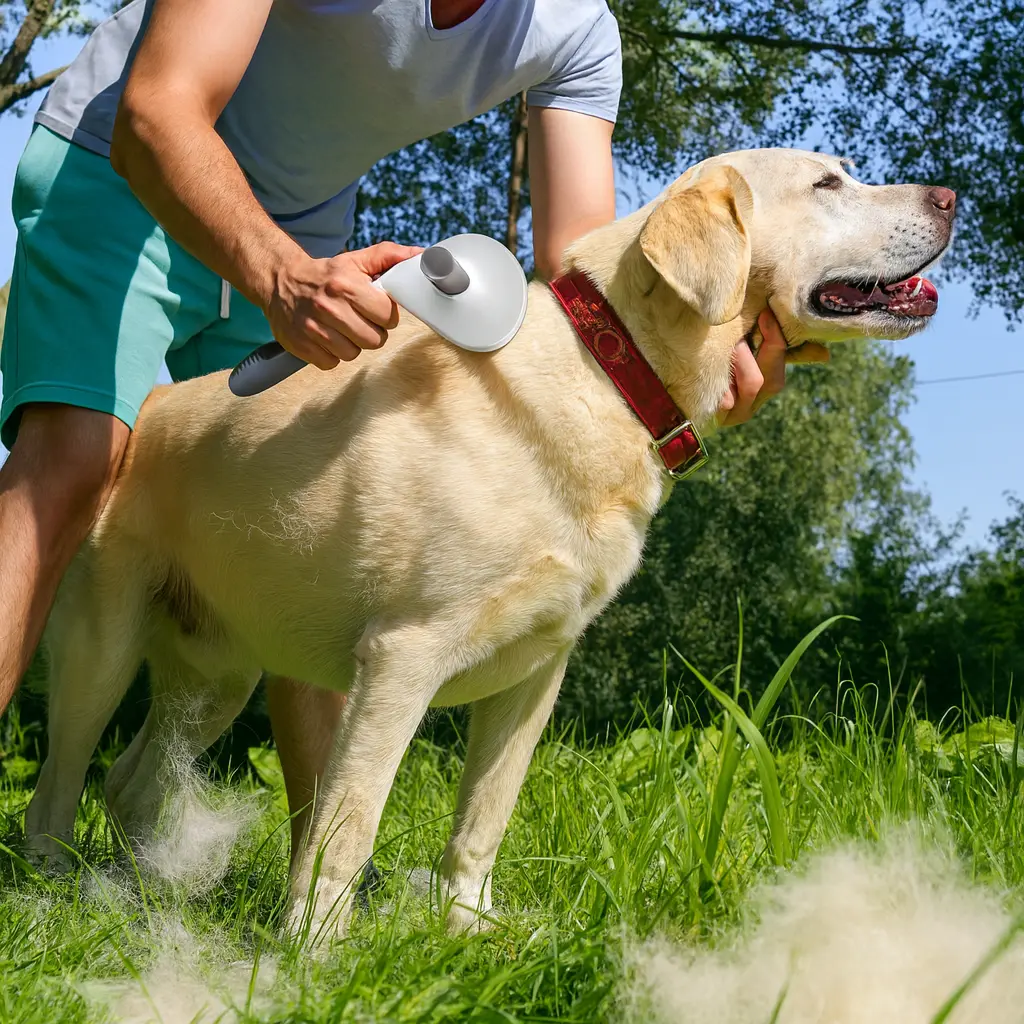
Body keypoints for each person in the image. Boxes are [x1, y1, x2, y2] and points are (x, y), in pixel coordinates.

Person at [0, 0, 827, 854]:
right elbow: (158, 111)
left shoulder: (578, 28)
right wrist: (282, 279)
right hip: (122, 167)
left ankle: (318, 891)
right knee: (73, 465)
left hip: (304, 225)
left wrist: (706, 346)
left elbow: (582, 258)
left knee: (328, 530)